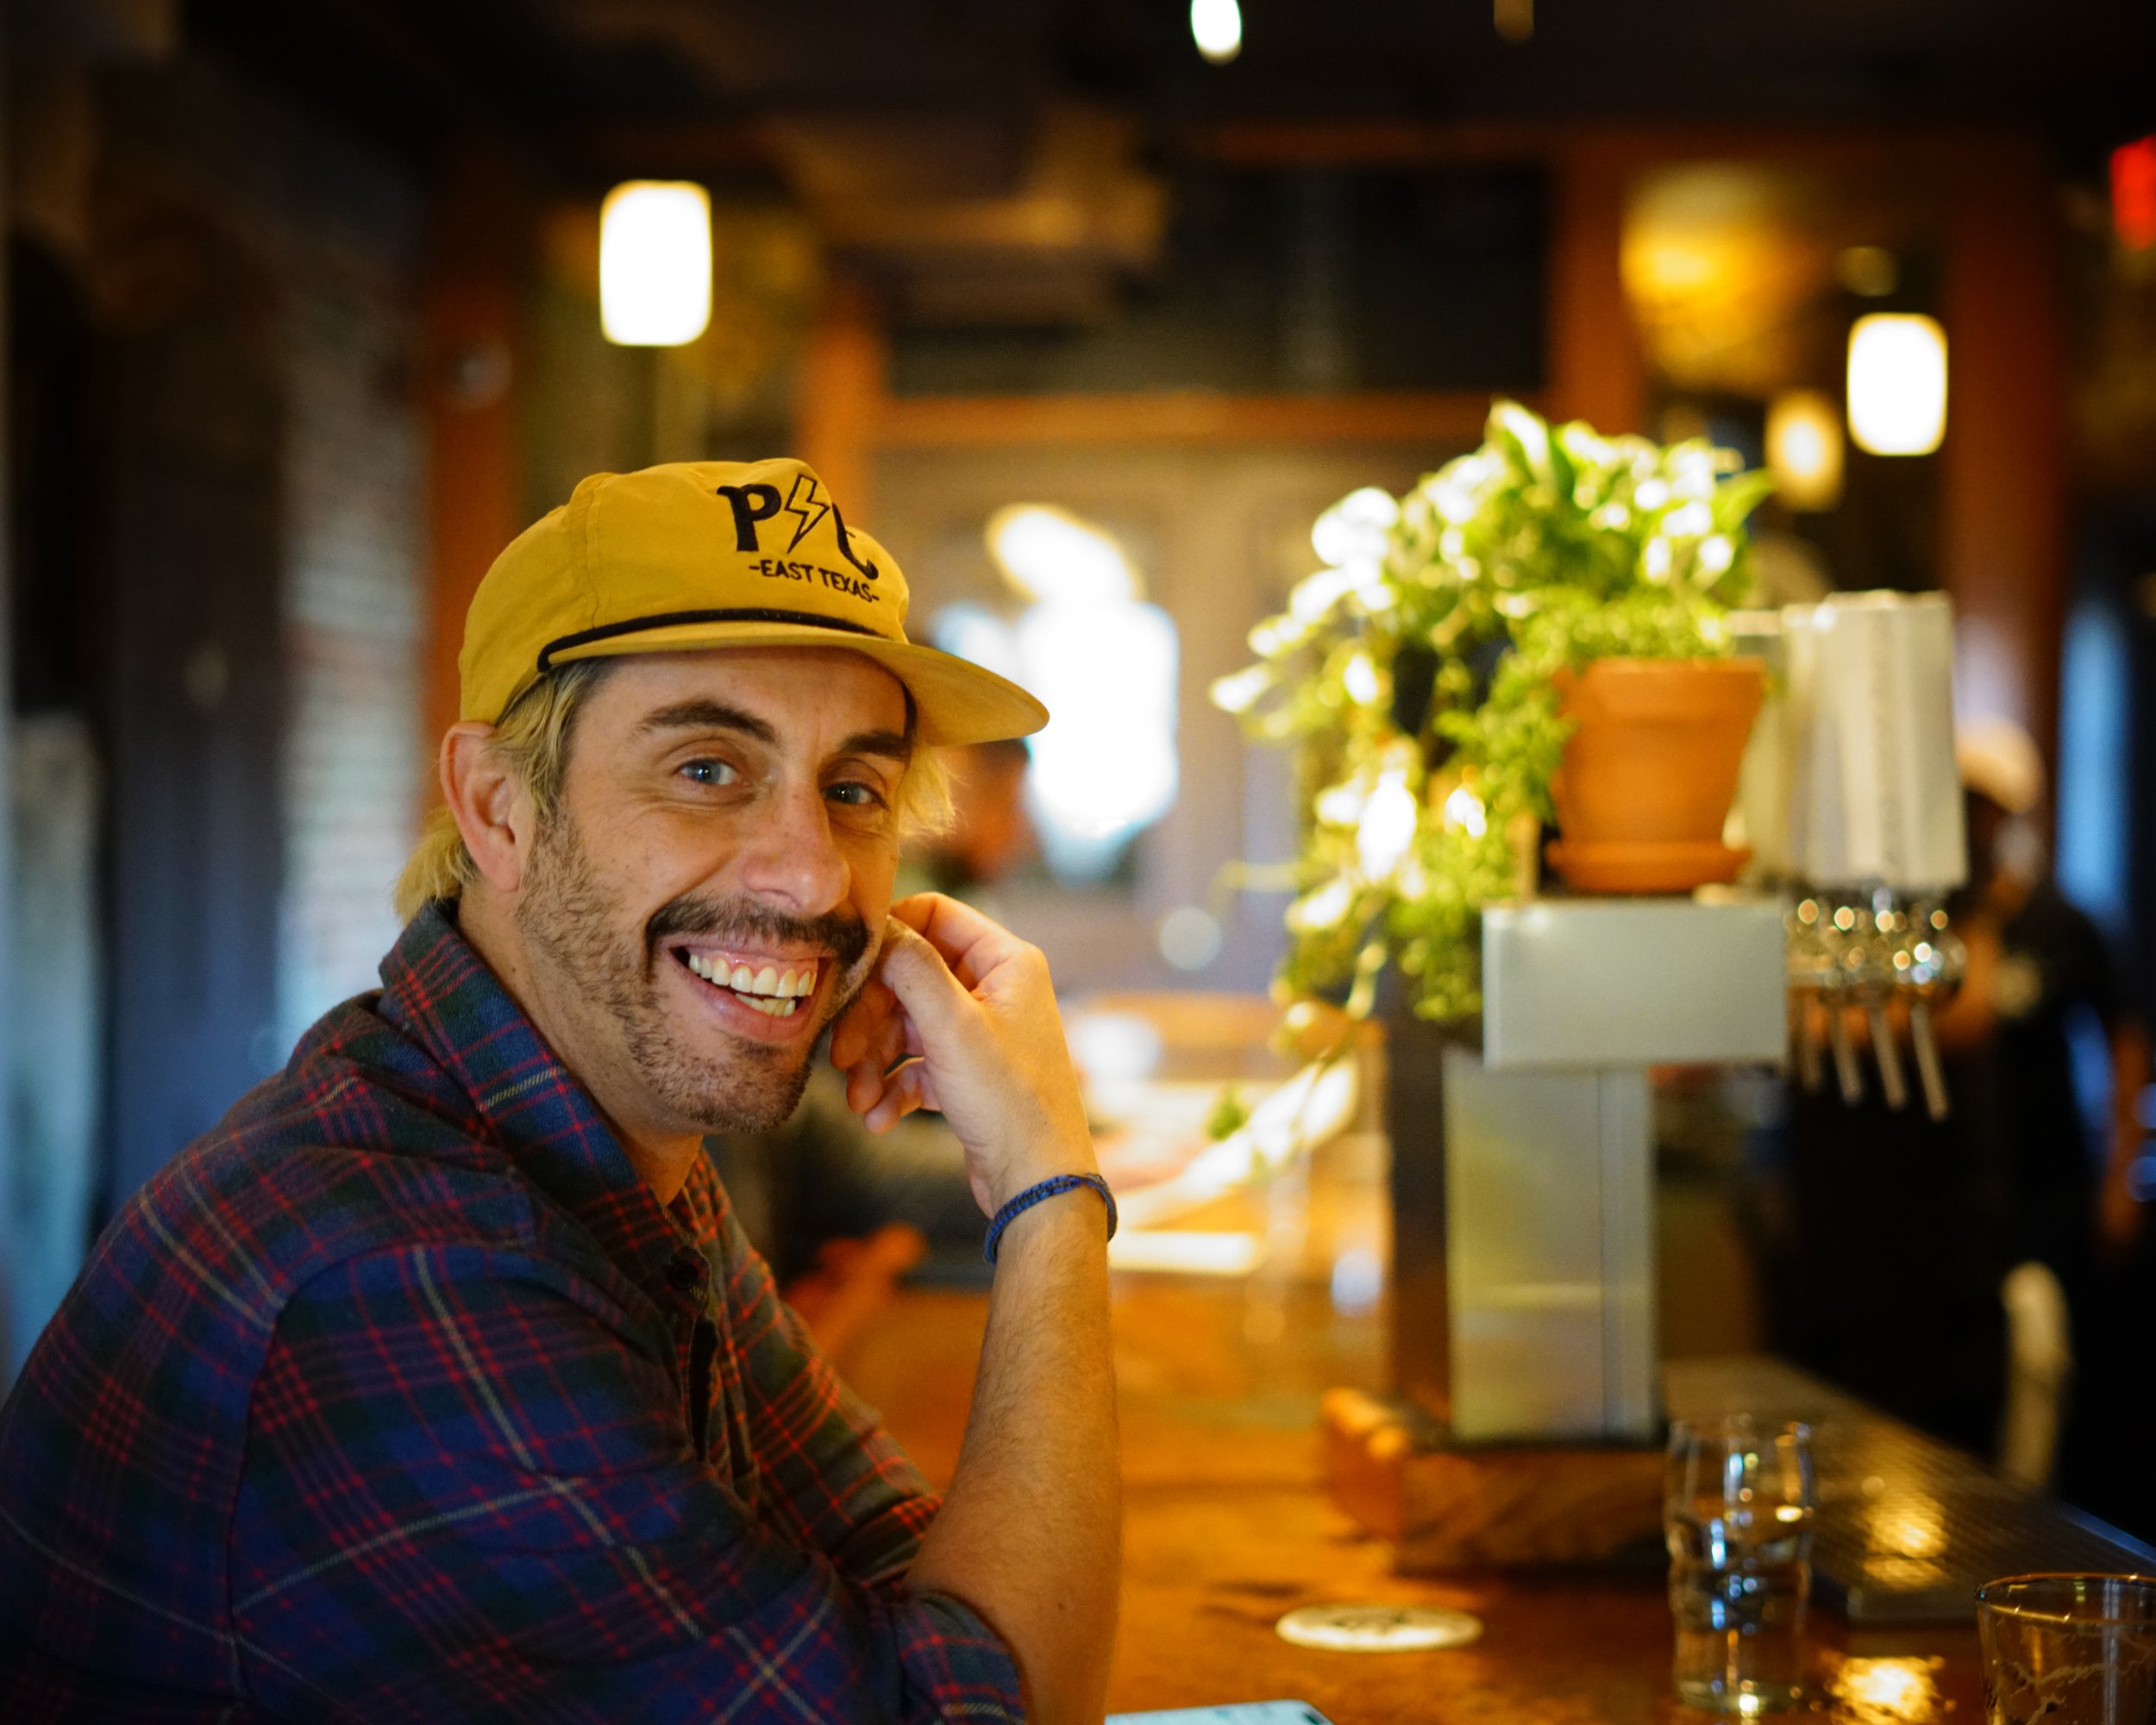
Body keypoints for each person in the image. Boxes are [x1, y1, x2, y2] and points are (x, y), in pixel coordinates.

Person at [0, 459, 1122, 1722]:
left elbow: (899, 1579)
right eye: (707, 768)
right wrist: (1050, 1191)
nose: (812, 878)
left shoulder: (591, 1142)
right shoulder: (398, 1273)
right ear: (497, 805)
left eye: (853, 791)